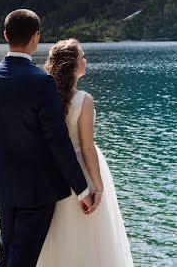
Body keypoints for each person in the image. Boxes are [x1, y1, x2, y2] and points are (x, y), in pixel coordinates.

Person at [0, 9, 95, 267]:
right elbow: (58, 141)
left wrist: (6, 162)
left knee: (5, 252)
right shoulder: (42, 83)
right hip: (37, 188)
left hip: (4, 182)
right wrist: (82, 189)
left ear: (5, 35)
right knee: (22, 260)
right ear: (36, 37)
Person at [38, 38, 134, 266]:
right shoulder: (83, 100)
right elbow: (87, 147)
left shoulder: (47, 97)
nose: (86, 60)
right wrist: (98, 188)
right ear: (72, 64)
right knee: (90, 234)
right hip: (81, 171)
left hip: (55, 172)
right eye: (82, 56)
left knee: (59, 232)